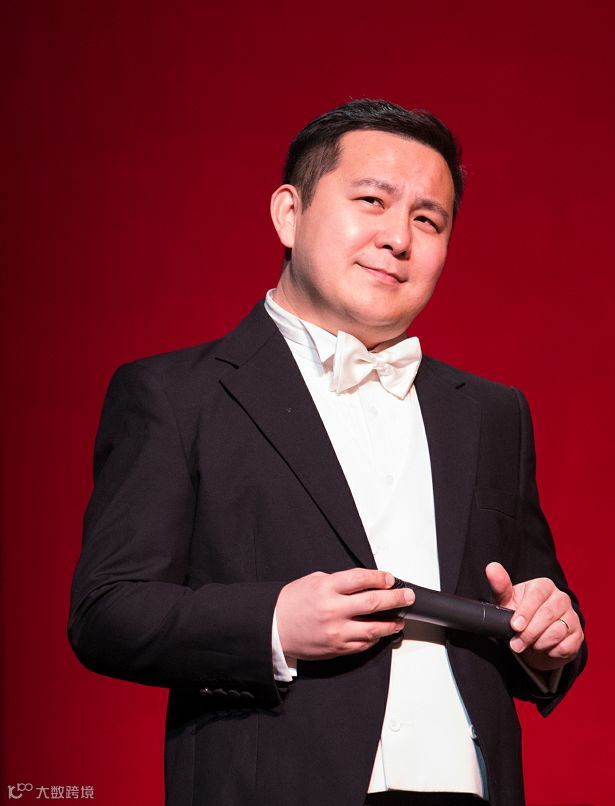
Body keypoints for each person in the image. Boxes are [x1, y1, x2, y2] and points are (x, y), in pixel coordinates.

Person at [69, 99, 586, 806]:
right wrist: (274, 623)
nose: (397, 238)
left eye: (428, 220)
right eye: (372, 201)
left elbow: (539, 608)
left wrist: (554, 633)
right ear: (289, 213)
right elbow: (106, 612)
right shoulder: (174, 394)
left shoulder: (494, 413)